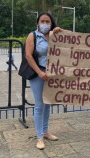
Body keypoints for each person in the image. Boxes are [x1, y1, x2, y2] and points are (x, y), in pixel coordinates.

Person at [25, 12, 64, 150]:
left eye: (48, 21)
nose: (45, 24)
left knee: (48, 103)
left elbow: (73, 38)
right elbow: (28, 56)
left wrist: (61, 31)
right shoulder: (33, 36)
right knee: (39, 105)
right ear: (38, 23)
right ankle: (39, 137)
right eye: (42, 21)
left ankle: (46, 132)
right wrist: (40, 72)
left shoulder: (55, 35)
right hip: (38, 73)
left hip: (51, 74)